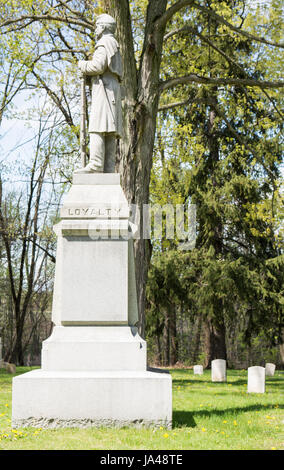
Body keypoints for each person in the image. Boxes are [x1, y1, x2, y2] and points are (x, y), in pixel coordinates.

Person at [75, 14, 123, 173]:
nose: (95, 29)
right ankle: (108, 168)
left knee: (97, 125)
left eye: (97, 26)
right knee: (108, 128)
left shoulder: (104, 43)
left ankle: (96, 165)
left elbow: (98, 66)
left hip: (104, 89)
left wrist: (83, 65)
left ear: (103, 27)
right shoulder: (114, 44)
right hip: (111, 88)